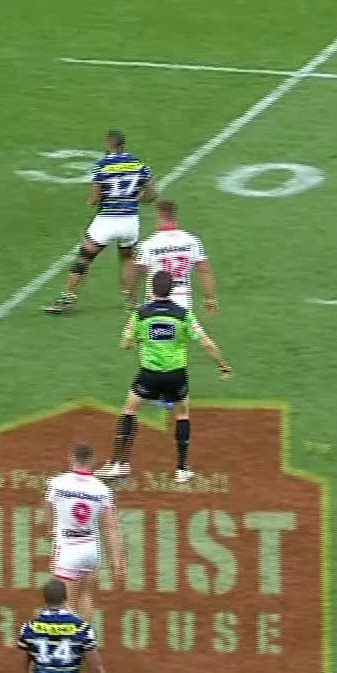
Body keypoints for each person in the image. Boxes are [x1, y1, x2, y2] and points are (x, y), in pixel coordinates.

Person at [98, 270, 233, 482]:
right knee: (182, 416)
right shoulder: (183, 315)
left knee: (129, 411)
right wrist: (222, 366)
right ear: (172, 290)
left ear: (151, 289)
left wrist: (138, 341)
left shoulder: (141, 314)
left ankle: (119, 465)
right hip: (176, 375)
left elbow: (125, 344)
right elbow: (206, 343)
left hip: (149, 375)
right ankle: (181, 470)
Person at [44, 130, 156, 315]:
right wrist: (136, 200)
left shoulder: (102, 166)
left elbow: (95, 198)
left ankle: (67, 299)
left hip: (106, 221)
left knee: (84, 258)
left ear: (108, 144)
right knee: (127, 258)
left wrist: (90, 201)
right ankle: (131, 301)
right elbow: (152, 195)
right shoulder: (139, 165)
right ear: (123, 145)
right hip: (130, 222)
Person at [13, 578, 110, 673]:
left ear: (45, 599)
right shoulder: (81, 628)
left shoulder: (29, 628)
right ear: (66, 598)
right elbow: (96, 668)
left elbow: (20, 668)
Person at [44, 444, 124, 625]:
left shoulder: (57, 483)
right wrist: (115, 559)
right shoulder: (102, 489)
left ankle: (72, 639)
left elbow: (47, 507)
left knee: (65, 602)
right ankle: (85, 634)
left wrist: (49, 529)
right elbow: (110, 526)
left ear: (72, 458)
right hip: (91, 549)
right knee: (86, 594)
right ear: (92, 461)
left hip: (68, 548)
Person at [127, 200, 217, 315]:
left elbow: (137, 273)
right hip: (182, 300)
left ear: (158, 216)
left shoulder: (148, 244)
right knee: (182, 326)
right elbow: (204, 271)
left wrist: (130, 295)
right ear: (173, 215)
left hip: (156, 299)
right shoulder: (192, 241)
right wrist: (209, 299)